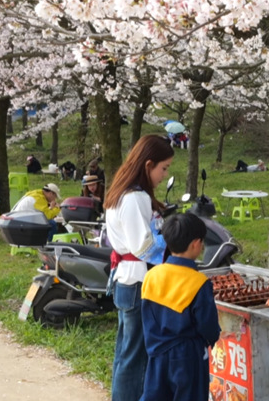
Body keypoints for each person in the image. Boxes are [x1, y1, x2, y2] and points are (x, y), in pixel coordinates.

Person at [103, 134, 173, 401]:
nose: (163, 175)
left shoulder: (123, 192)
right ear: (148, 165)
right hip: (137, 282)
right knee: (135, 357)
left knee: (126, 353)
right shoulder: (135, 197)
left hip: (126, 280)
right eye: (163, 168)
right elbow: (144, 247)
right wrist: (172, 236)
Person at [140, 212, 221, 401]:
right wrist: (212, 338)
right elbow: (208, 326)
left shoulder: (152, 275)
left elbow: (145, 316)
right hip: (187, 358)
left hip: (156, 353)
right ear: (195, 244)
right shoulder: (199, 283)